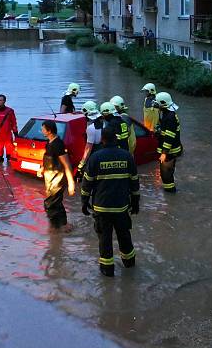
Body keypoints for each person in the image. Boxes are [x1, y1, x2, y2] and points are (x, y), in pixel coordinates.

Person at [81, 126, 140, 277]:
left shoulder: (96, 157)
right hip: (121, 207)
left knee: (105, 240)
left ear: (102, 139)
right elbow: (134, 182)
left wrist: (84, 202)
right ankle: (130, 265)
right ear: (116, 139)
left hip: (102, 209)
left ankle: (107, 272)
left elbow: (87, 183)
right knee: (124, 236)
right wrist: (135, 202)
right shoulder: (127, 156)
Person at [38, 120, 76, 231]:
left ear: (49, 131)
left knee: (49, 204)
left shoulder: (58, 144)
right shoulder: (49, 143)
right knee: (56, 203)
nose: (42, 131)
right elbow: (47, 157)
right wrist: (42, 168)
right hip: (50, 178)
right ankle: (62, 226)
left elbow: (67, 164)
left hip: (58, 179)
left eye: (43, 129)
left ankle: (57, 229)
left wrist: (71, 183)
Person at [154, 92, 183, 192]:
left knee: (166, 173)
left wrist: (164, 153)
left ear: (163, 104)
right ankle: (170, 195)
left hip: (170, 151)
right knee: (167, 173)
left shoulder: (170, 117)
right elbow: (166, 132)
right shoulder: (168, 114)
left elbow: (169, 137)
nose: (156, 105)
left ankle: (170, 194)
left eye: (157, 104)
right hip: (170, 150)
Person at [77, 101, 103, 178]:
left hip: (95, 155)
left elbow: (88, 148)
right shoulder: (104, 123)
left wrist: (82, 163)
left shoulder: (91, 128)